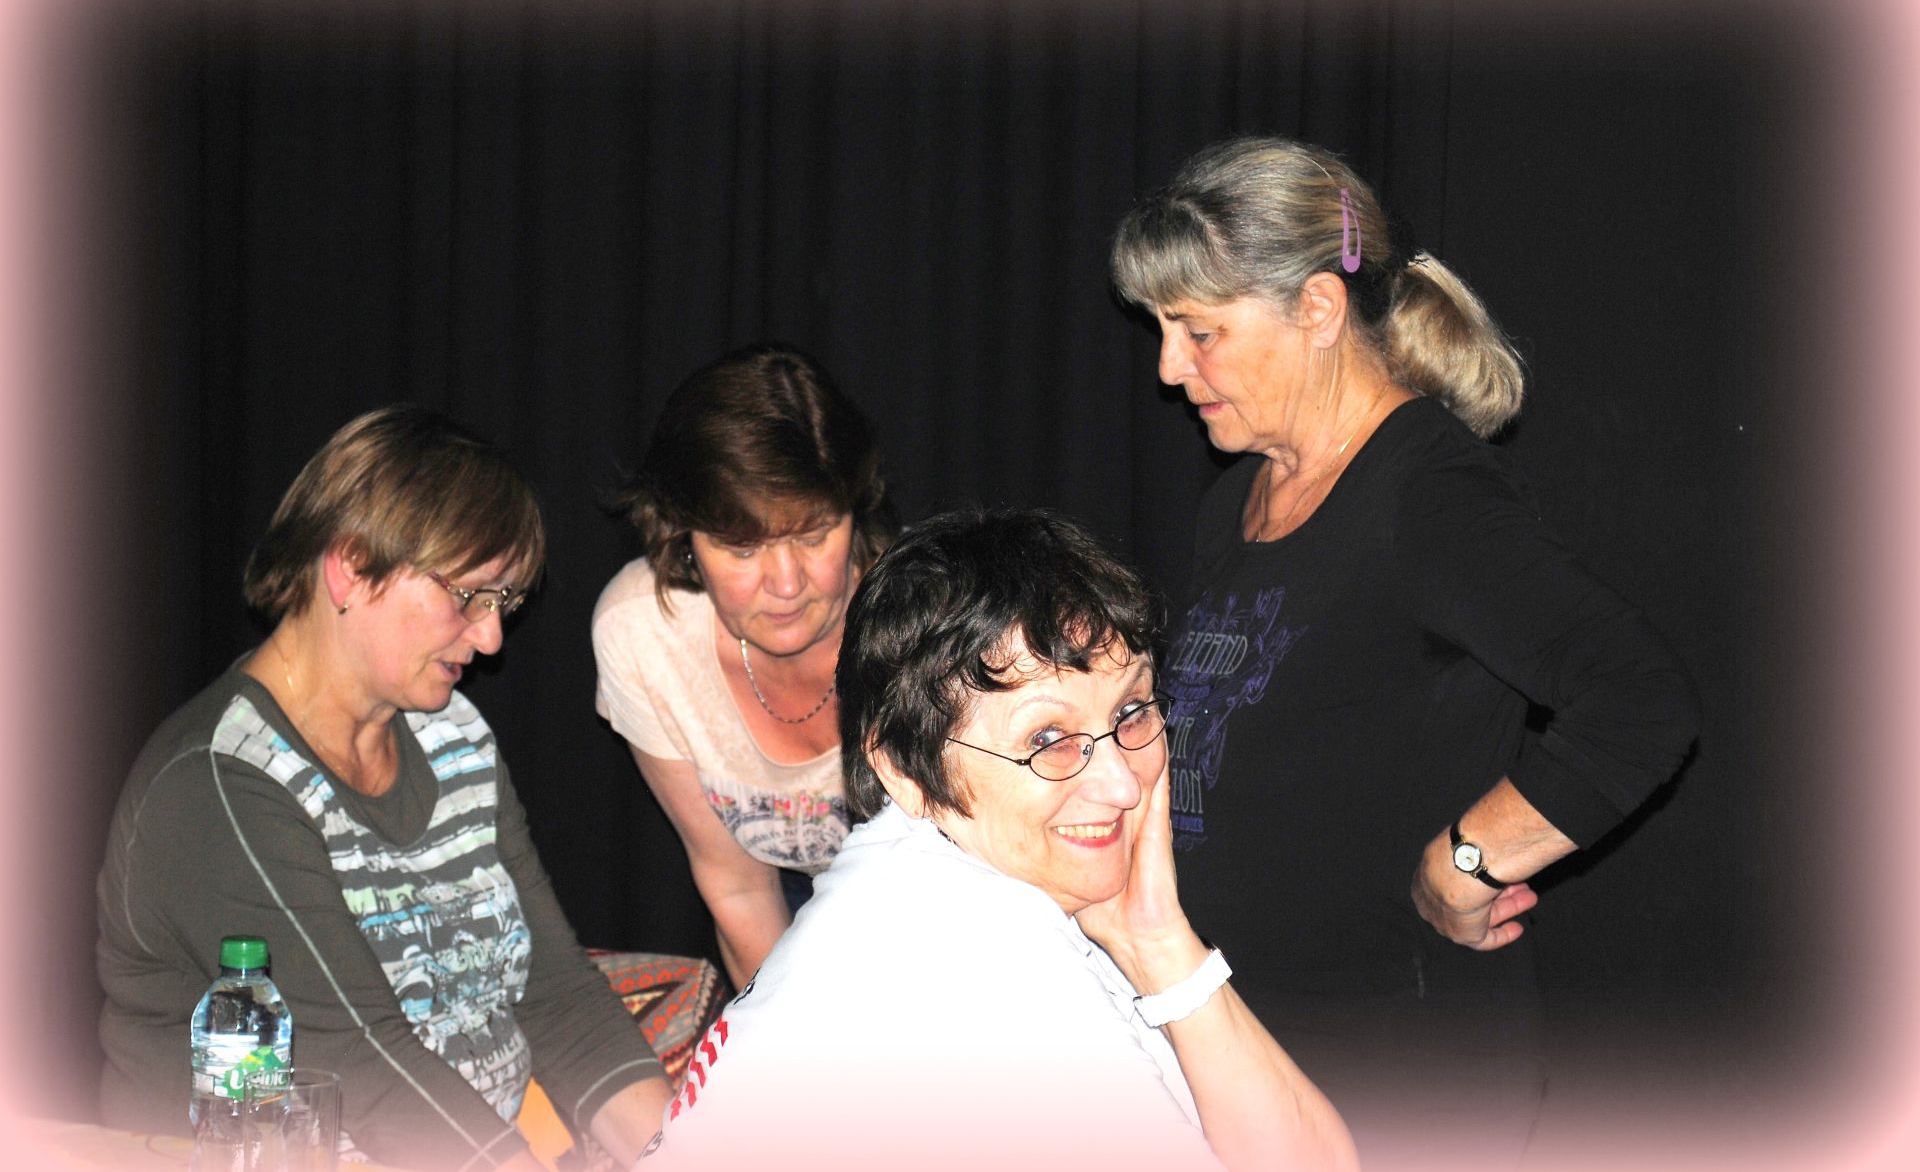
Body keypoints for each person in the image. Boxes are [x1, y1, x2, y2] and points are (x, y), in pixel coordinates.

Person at [1108, 136, 1702, 1165]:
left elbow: (1639, 697)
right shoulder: (1232, 501)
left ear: (1318, 309)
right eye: (1162, 330)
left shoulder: (1426, 496)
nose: (1169, 368)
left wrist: (1470, 859)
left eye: (1200, 331)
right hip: (1256, 1048)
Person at [639, 509, 1356, 1172]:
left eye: (1132, 709)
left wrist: (1158, 941)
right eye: (1048, 738)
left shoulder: (925, 875)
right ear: (903, 769)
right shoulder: (976, 963)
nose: (1121, 783)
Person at [97, 406, 670, 1172]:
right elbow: (365, 1061)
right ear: (351, 566)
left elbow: (551, 988)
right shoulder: (216, 782)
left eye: (503, 602)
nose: (492, 636)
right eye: (468, 595)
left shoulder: (453, 734)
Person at [593, 344, 896, 990]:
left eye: (813, 535)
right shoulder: (643, 632)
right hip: (812, 922)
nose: (786, 583)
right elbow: (737, 885)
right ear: (682, 535)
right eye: (741, 547)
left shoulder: (927, 626)